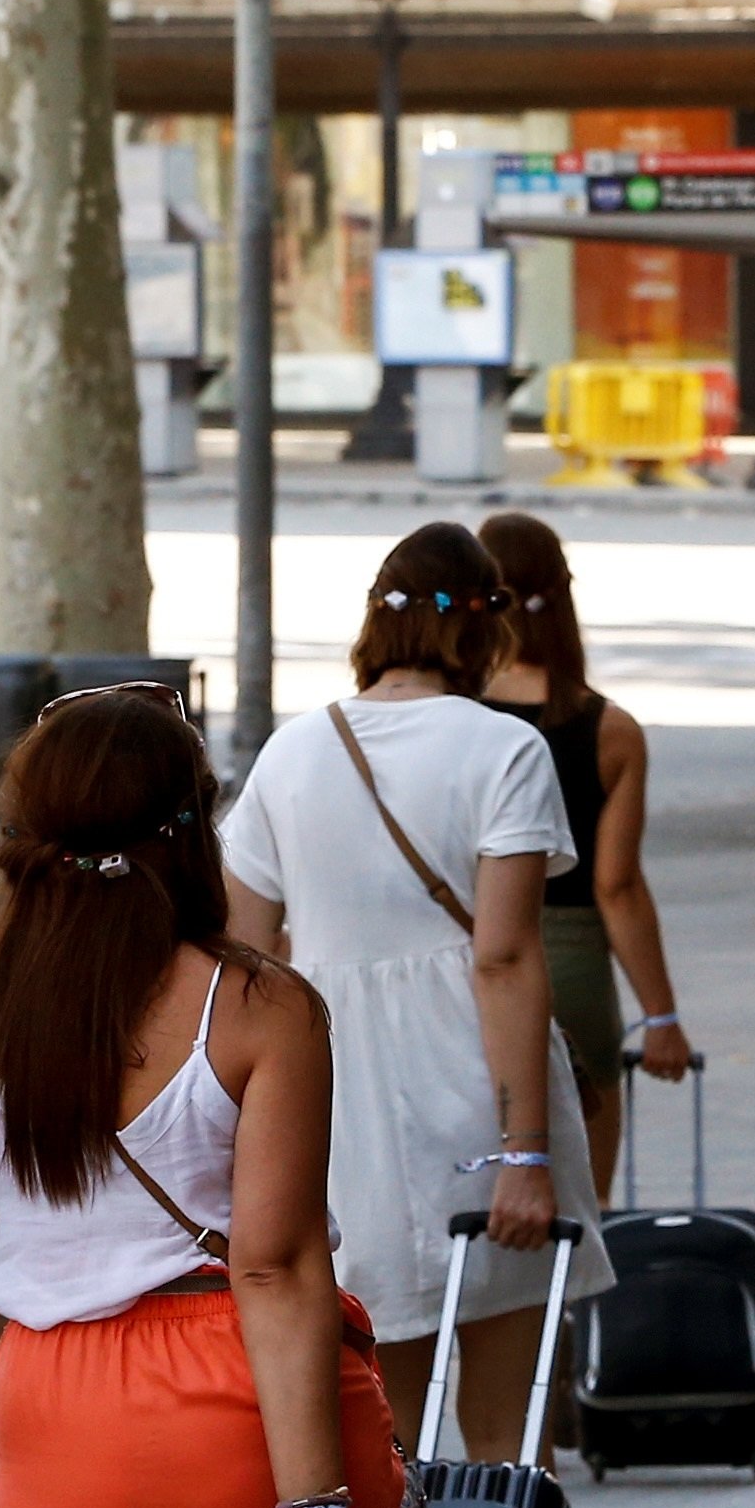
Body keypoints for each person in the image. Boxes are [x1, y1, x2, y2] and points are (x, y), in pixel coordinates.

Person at [0, 688, 404, 1508]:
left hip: (49, 1406)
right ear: (191, 827)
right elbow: (276, 1268)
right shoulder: (259, 1008)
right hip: (232, 1399)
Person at [220, 523, 594, 1458]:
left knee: (379, 1433)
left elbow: (242, 960)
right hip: (476, 1087)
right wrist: (527, 1153)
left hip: (331, 1103)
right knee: (509, 1446)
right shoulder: (505, 751)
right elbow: (503, 957)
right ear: (487, 629)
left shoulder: (291, 754)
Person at [473, 511, 693, 1203]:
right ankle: (569, 1316)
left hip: (464, 967)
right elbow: (616, 886)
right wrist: (660, 1016)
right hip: (570, 970)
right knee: (581, 1215)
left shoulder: (454, 720)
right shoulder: (610, 730)